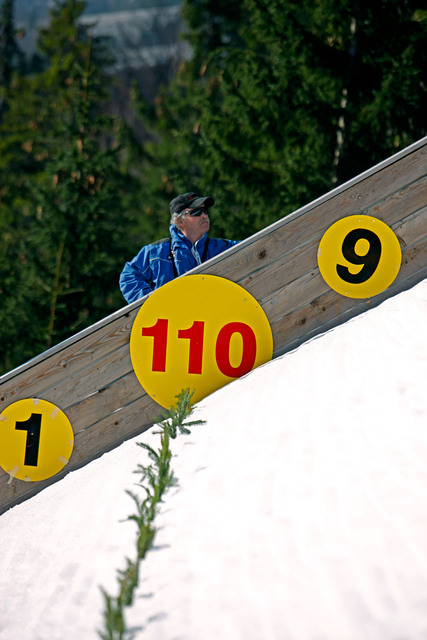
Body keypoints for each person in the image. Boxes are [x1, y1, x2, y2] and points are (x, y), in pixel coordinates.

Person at [119, 192, 238, 303]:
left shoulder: (225, 247)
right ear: (180, 221)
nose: (204, 215)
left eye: (205, 210)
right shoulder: (155, 252)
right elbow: (128, 276)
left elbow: (254, 251)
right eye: (196, 212)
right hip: (173, 323)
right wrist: (151, 304)